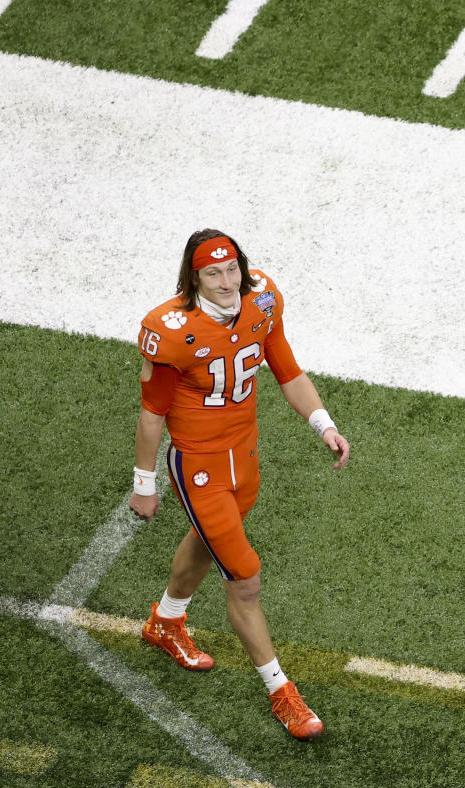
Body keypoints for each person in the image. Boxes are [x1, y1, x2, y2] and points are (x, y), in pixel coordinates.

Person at [128, 228, 349, 741]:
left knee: (210, 545)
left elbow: (287, 369)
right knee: (245, 579)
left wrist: (325, 424)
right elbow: (151, 414)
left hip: (244, 458)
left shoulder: (262, 300)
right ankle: (282, 694)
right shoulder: (173, 330)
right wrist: (144, 483)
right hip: (199, 466)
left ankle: (166, 621)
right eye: (213, 273)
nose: (227, 282)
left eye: (232, 270)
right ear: (194, 276)